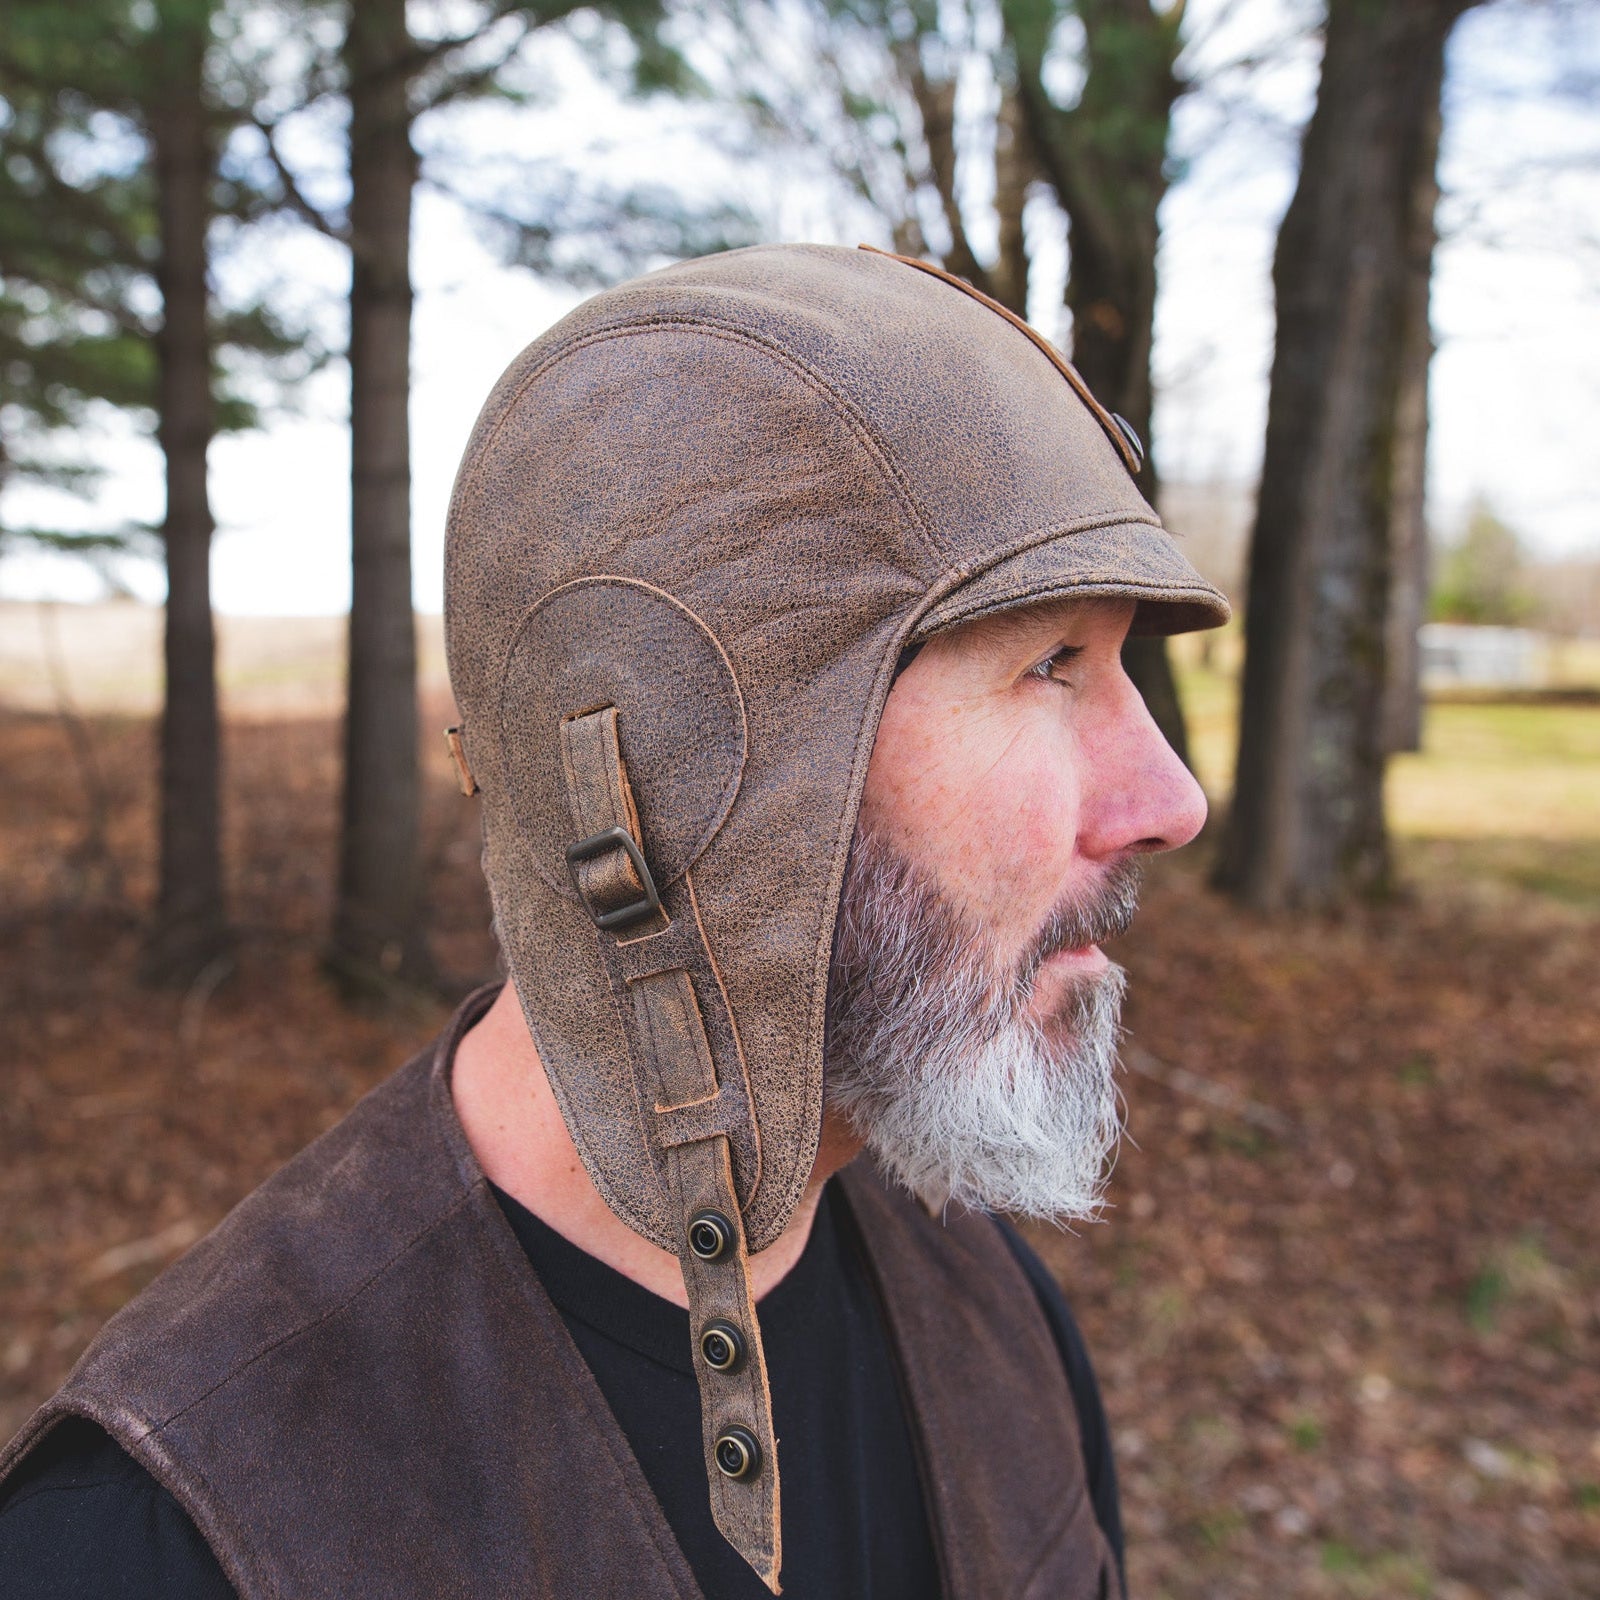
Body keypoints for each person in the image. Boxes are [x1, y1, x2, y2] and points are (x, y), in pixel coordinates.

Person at [0, 243, 1228, 1599]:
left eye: (1123, 667)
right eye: (1050, 663)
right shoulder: (169, 1531)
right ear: (685, 772)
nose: (1169, 798)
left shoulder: (987, 1312)